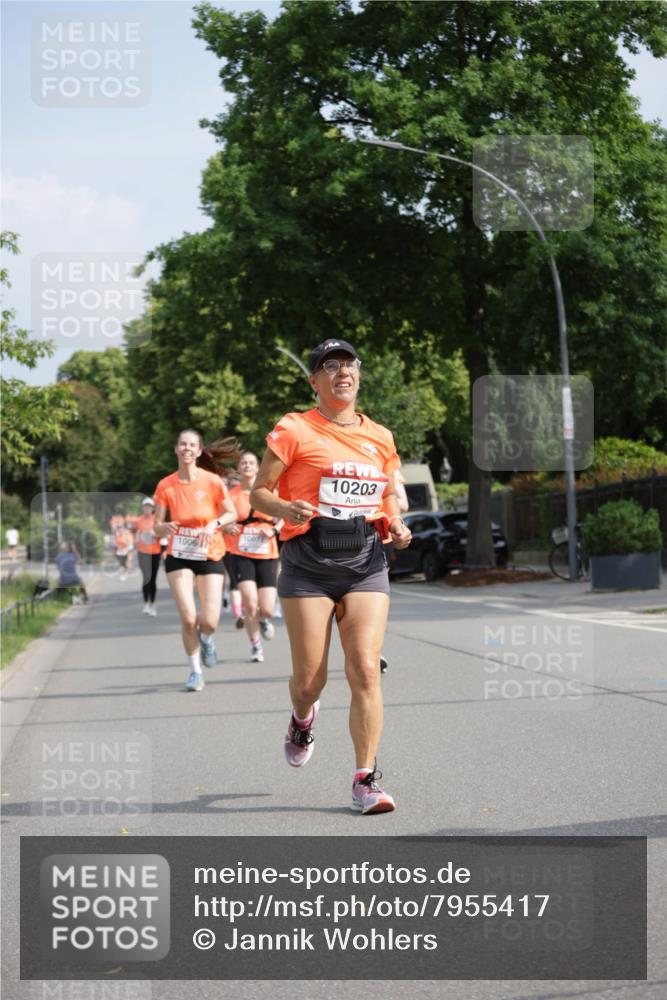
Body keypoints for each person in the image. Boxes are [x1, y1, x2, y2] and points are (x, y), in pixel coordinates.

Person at [250, 339, 412, 815]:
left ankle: (366, 779)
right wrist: (283, 506)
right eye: (330, 365)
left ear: (359, 375)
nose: (343, 372)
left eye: (350, 364)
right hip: (308, 562)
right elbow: (259, 493)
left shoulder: (380, 436)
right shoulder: (294, 428)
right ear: (314, 380)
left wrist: (396, 522)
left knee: (364, 668)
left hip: (365, 558)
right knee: (310, 680)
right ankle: (302, 717)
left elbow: (387, 495)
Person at [153, 430, 239, 692]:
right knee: (189, 618)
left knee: (210, 620)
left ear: (199, 451)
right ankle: (194, 671)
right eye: (183, 444)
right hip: (179, 555)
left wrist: (213, 524)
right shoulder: (166, 485)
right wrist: (163, 527)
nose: (187, 448)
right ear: (176, 450)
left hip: (210, 553)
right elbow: (155, 526)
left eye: (192, 445)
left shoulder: (212, 481)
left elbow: (231, 513)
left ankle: (207, 639)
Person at [223, 452, 282, 663]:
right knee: (249, 602)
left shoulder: (270, 491)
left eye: (251, 463)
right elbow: (220, 520)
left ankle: (264, 619)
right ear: (239, 469)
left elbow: (286, 515)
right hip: (239, 552)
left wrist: (274, 530)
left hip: (266, 552)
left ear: (258, 468)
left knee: (266, 607)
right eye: (243, 463)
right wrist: (226, 526)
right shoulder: (231, 495)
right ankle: (256, 645)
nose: (247, 466)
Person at [136, 497, 161, 616]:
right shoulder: (139, 520)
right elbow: (136, 533)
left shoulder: (157, 520)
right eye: (145, 506)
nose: (147, 508)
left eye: (149, 506)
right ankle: (146, 603)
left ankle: (153, 604)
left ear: (153, 509)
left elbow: (163, 535)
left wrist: (155, 534)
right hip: (142, 552)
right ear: (142, 508)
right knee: (146, 577)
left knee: (153, 579)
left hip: (155, 552)